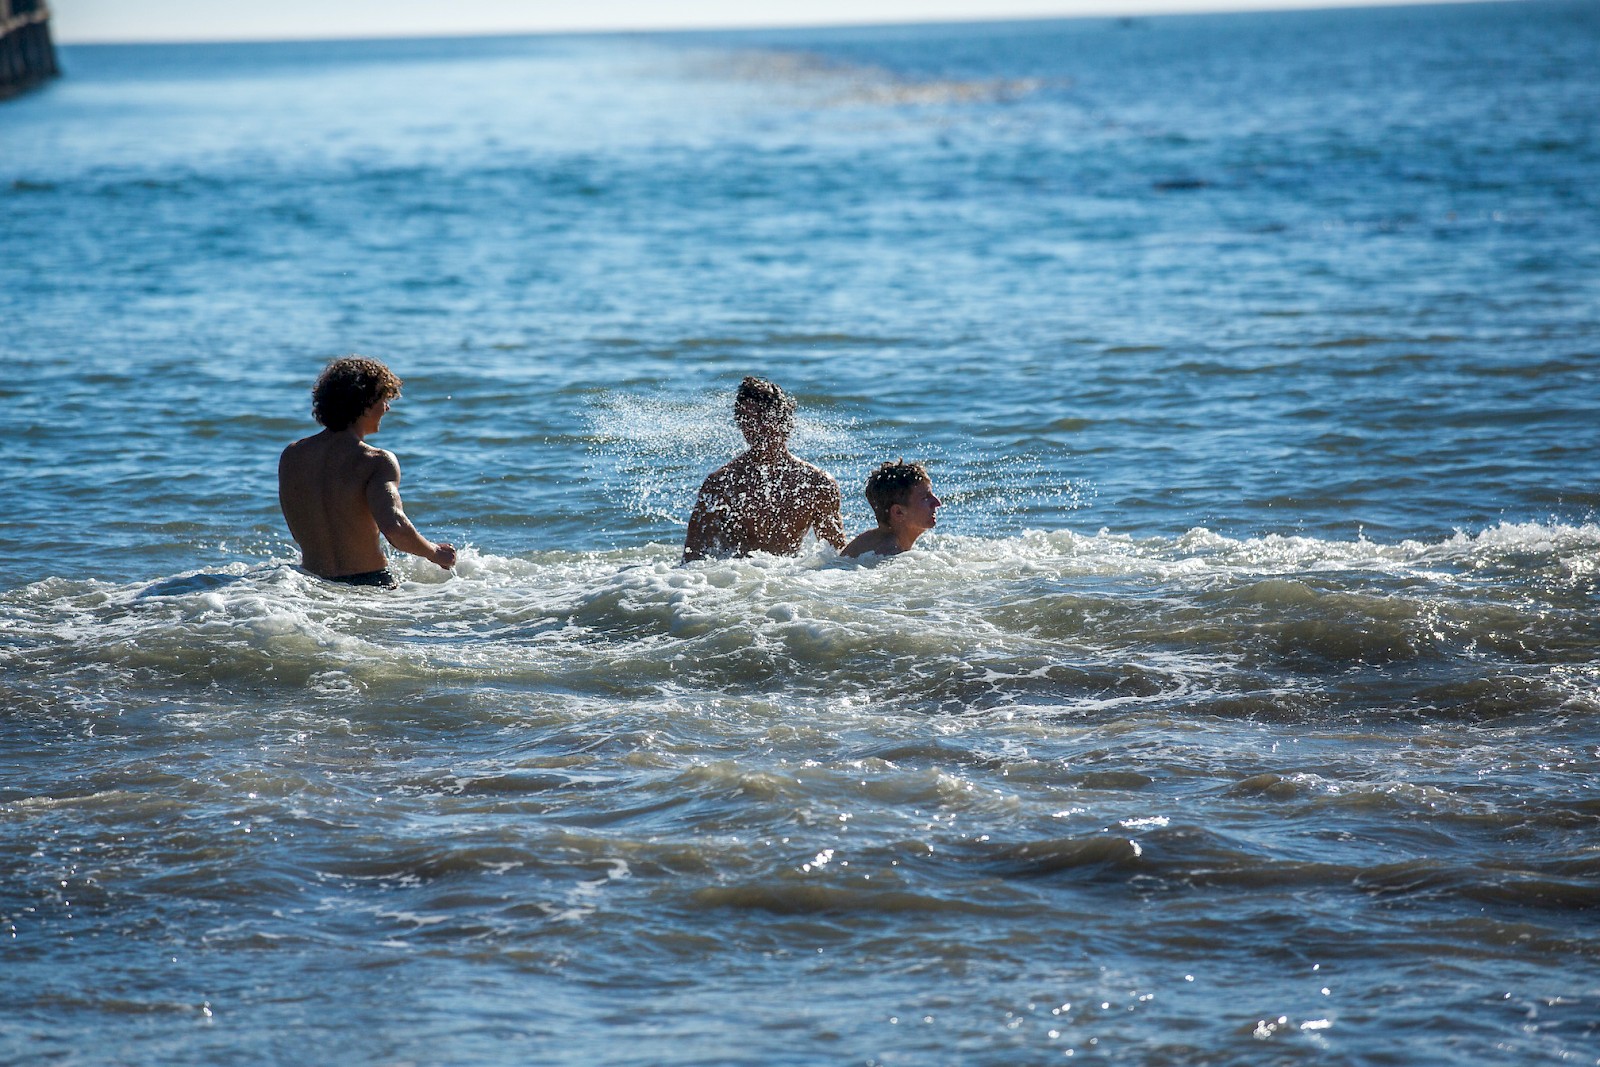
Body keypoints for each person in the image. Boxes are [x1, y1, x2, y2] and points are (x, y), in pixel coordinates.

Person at [278, 356, 457, 588]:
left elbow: (297, 529)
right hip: (370, 584)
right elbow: (395, 527)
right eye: (384, 399)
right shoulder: (376, 461)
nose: (387, 408)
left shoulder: (292, 456)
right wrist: (435, 553)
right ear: (366, 403)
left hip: (311, 584)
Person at [683, 376, 846, 561]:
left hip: (793, 577)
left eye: (762, 417)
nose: (754, 427)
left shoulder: (818, 484)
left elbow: (837, 558)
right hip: (735, 576)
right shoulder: (721, 484)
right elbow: (692, 560)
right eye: (746, 419)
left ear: (783, 420)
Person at [842, 460, 942, 559]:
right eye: (925, 497)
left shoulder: (868, 540)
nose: (937, 503)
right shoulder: (890, 553)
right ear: (898, 512)